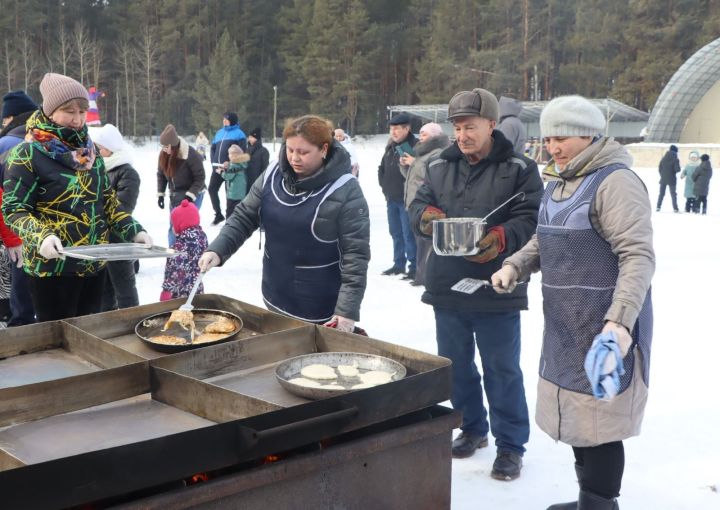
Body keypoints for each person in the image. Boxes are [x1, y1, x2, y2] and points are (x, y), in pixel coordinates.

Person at [492, 95, 654, 509]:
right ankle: (588, 499)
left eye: (561, 137)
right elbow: (542, 238)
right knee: (581, 419)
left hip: (606, 326)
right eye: (547, 139)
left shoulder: (614, 182)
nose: (552, 147)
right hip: (567, 324)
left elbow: (637, 256)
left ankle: (601, 504)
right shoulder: (561, 180)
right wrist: (516, 265)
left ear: (589, 134)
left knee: (602, 423)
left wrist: (619, 323)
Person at [409, 88, 543, 480]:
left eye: (470, 126)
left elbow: (532, 217)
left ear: (491, 124)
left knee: (501, 369)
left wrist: (500, 239)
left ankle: (511, 445)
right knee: (456, 366)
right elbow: (416, 205)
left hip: (497, 286)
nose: (463, 135)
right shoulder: (437, 165)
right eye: (457, 127)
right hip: (447, 285)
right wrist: (428, 217)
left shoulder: (520, 168)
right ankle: (471, 427)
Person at [2, 72, 151, 322]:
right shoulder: (27, 154)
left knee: (90, 337)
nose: (77, 119)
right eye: (69, 111)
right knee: (60, 346)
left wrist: (133, 229)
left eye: (82, 111)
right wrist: (42, 237)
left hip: (94, 265)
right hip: (52, 270)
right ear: (50, 111)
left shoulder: (90, 154)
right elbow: (14, 209)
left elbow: (109, 204)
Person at [199, 115, 369, 331]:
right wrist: (218, 249)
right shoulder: (272, 173)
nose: (294, 158)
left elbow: (356, 256)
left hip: (319, 307)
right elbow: (244, 215)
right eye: (290, 150)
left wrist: (346, 312)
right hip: (275, 294)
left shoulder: (346, 189)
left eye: (303, 152)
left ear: (324, 149)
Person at [91, 123, 141, 311]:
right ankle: (107, 324)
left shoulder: (128, 173)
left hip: (118, 239)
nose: (95, 151)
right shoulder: (98, 169)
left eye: (99, 148)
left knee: (124, 288)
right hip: (100, 239)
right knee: (104, 289)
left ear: (109, 149)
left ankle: (131, 322)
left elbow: (122, 208)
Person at [0, 90, 37, 326]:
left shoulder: (5, 144)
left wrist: (10, 236)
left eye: (4, 119)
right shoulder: (44, 137)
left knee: (15, 283)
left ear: (12, 117)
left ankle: (14, 322)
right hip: (38, 229)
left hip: (15, 227)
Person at [398, 122, 449, 286]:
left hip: (427, 204)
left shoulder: (438, 152)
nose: (421, 136)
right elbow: (412, 176)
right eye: (420, 133)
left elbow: (432, 175)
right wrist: (404, 165)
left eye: (425, 134)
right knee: (417, 241)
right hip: (414, 202)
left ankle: (426, 276)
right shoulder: (421, 152)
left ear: (434, 135)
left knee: (426, 242)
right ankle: (419, 274)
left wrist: (413, 163)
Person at [379, 113, 417, 279]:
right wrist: (383, 185)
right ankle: (398, 263)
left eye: (396, 129)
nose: (393, 132)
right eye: (391, 129)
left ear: (406, 129)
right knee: (396, 232)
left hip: (406, 199)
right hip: (391, 198)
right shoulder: (391, 146)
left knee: (408, 234)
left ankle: (414, 267)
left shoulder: (415, 146)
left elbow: (419, 171)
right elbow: (381, 168)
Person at [157, 124, 206, 246]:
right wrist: (161, 194)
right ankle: (173, 256)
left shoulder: (190, 154)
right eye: (162, 146)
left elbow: (200, 178)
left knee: (187, 227)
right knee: (173, 226)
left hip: (193, 193)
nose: (164, 149)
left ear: (173, 145)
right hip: (175, 195)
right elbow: (161, 175)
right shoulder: (164, 155)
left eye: (166, 146)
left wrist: (190, 196)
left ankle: (189, 255)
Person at [160, 200, 208, 301]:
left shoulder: (179, 247)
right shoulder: (202, 237)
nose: (172, 227)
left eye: (173, 224)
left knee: (179, 315)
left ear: (180, 224)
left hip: (180, 294)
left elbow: (175, 271)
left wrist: (166, 290)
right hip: (197, 289)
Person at [208, 112, 247, 225]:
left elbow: (242, 152)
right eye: (223, 119)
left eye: (226, 119)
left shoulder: (239, 134)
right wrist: (213, 162)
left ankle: (229, 218)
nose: (224, 121)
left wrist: (231, 164)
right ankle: (218, 214)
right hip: (218, 168)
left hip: (230, 168)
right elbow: (213, 149)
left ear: (232, 121)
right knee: (212, 189)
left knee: (229, 194)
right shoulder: (219, 133)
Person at [222, 144, 250, 218]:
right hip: (241, 193)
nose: (228, 156)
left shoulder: (234, 164)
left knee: (229, 212)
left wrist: (221, 172)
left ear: (234, 155)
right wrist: (228, 166)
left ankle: (229, 227)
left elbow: (228, 176)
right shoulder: (241, 163)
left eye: (230, 154)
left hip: (233, 193)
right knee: (239, 212)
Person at [656, 144, 680, 212]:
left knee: (661, 194)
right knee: (673, 194)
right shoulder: (676, 159)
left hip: (663, 178)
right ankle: (675, 208)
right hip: (672, 179)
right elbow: (677, 170)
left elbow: (660, 167)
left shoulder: (664, 158)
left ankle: (658, 207)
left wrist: (662, 175)